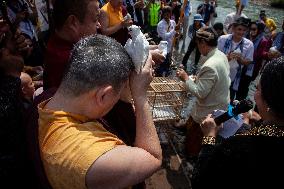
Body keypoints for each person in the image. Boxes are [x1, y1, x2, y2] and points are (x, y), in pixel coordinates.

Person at [38, 35, 162, 189]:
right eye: (119, 93)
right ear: (103, 95)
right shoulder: (86, 154)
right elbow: (153, 157)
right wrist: (140, 95)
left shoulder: (47, 98)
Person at [192, 56, 284, 189]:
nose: (254, 95)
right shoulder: (269, 130)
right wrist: (248, 122)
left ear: (270, 101)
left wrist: (209, 136)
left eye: (258, 89)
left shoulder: (241, 147)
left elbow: (200, 180)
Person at [176, 27, 230, 157]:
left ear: (203, 44)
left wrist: (186, 78)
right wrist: (195, 78)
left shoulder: (210, 65)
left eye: (197, 44)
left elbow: (200, 93)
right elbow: (212, 81)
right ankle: (186, 128)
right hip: (221, 105)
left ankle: (192, 156)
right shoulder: (221, 55)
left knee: (192, 148)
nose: (197, 48)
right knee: (192, 117)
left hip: (209, 110)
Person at [218, 17, 254, 101]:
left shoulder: (249, 44)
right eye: (239, 29)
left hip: (234, 79)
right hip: (220, 74)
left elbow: (248, 62)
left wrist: (240, 59)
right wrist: (228, 57)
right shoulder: (223, 39)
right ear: (233, 28)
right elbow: (215, 57)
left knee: (228, 102)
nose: (241, 32)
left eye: (244, 30)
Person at [156, 6, 176, 76]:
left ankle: (166, 78)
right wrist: (174, 30)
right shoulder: (160, 24)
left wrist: (177, 33)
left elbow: (174, 35)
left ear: (171, 14)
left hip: (171, 47)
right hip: (163, 48)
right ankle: (159, 77)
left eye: (169, 13)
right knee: (161, 65)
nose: (167, 15)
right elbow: (165, 37)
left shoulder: (173, 22)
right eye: (165, 14)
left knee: (168, 65)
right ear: (163, 14)